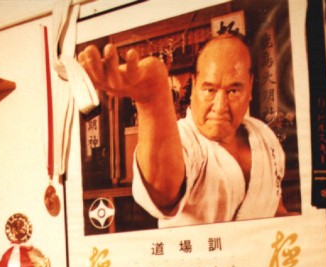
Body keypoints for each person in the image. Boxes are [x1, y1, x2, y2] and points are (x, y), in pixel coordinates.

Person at [78, 32, 289, 227]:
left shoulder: (264, 135)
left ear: (250, 87)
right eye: (209, 90)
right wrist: (151, 101)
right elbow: (163, 191)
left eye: (233, 91)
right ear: (194, 85)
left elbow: (277, 209)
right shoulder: (184, 139)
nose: (220, 106)